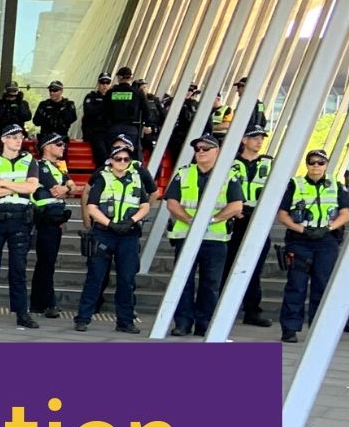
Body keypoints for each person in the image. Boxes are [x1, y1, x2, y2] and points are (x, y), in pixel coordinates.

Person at [163, 135, 244, 337]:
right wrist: (190, 220)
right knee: (183, 282)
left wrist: (213, 220)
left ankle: (204, 324)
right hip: (186, 236)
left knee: (211, 284)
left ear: (217, 152)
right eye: (197, 148)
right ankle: (182, 323)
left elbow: (236, 206)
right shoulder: (184, 173)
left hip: (215, 240)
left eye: (205, 148)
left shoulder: (228, 175)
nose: (200, 152)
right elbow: (171, 202)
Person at [74, 146, 154, 333]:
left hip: (128, 234)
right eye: (118, 159)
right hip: (104, 232)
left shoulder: (136, 179)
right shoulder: (103, 177)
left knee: (126, 279)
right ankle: (83, 318)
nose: (122, 162)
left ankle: (125, 321)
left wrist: (131, 221)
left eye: (126, 159)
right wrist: (110, 224)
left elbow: (145, 205)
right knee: (95, 277)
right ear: (111, 160)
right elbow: (92, 206)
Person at [276, 149, 349, 343]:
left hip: (326, 241)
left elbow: (345, 214)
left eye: (320, 163)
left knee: (323, 284)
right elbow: (283, 214)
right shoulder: (295, 184)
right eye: (312, 162)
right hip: (300, 240)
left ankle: (319, 329)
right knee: (296, 285)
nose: (316, 166)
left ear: (326, 165)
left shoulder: (335, 185)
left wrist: (328, 228)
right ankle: (290, 329)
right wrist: (301, 230)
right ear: (307, 164)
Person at [0, 124, 40, 327]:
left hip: (20, 218)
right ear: (3, 139)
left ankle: (22, 313)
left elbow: (31, 187)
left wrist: (3, 184)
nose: (18, 140)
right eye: (13, 137)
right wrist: (16, 187)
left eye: (20, 136)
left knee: (18, 269)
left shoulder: (30, 160)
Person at [226, 126, 275, 326]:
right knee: (227, 266)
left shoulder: (269, 163)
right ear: (244, 140)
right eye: (254, 138)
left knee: (254, 268)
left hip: (257, 218)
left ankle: (252, 311)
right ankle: (222, 309)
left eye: (261, 138)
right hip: (233, 218)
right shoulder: (230, 163)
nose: (259, 141)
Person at [27, 133, 80, 319]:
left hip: (55, 220)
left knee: (46, 262)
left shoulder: (58, 167)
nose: (62, 147)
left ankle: (38, 303)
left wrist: (67, 189)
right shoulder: (40, 166)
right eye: (58, 144)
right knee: (46, 262)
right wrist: (67, 189)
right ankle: (48, 303)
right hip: (44, 220)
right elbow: (56, 190)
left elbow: (74, 188)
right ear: (46, 147)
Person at [104, 66, 143, 152]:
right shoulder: (137, 93)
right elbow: (147, 111)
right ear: (130, 77)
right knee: (130, 153)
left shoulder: (110, 93)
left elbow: (104, 110)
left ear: (119, 78)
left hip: (114, 128)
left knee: (114, 153)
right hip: (131, 128)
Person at [33, 81, 78, 150]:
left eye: (55, 90)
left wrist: (61, 111)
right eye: (50, 90)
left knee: (60, 160)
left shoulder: (68, 104)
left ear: (61, 91)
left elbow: (71, 118)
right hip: (46, 138)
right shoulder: (44, 104)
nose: (52, 93)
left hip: (61, 138)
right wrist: (46, 115)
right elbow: (36, 121)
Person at [81, 74, 112, 171]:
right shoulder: (91, 97)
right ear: (98, 84)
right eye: (103, 82)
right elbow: (89, 112)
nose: (105, 85)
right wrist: (105, 105)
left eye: (107, 83)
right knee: (102, 155)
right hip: (95, 131)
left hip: (109, 131)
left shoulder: (113, 97)